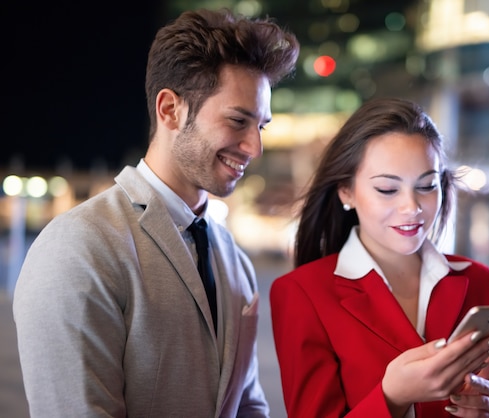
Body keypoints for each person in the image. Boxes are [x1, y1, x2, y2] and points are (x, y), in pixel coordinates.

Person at [13, 8, 299, 417]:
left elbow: (248, 406)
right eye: (238, 120)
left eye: (261, 127)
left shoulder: (234, 260)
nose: (254, 148)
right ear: (170, 110)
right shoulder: (78, 247)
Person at [270, 98, 489, 418]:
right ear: (346, 191)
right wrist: (392, 397)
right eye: (388, 189)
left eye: (427, 186)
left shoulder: (478, 281)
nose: (412, 207)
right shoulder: (302, 293)